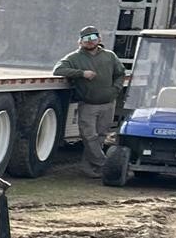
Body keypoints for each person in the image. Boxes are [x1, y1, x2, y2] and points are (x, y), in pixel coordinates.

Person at [55, 27, 128, 176]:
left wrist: (115, 89)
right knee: (88, 136)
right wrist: (81, 73)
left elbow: (120, 73)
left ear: (99, 39)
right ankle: (106, 163)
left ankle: (89, 168)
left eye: (93, 37)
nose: (90, 41)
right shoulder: (74, 58)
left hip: (108, 103)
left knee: (101, 136)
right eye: (86, 38)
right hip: (88, 104)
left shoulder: (110, 56)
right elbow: (58, 70)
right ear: (80, 41)